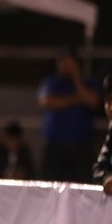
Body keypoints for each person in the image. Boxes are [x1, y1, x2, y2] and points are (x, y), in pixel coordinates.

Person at [38, 46, 99, 182]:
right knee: (49, 185)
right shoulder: (51, 82)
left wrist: (76, 76)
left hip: (82, 147)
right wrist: (77, 99)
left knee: (84, 186)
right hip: (55, 146)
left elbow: (92, 101)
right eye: (62, 61)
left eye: (69, 61)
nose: (65, 65)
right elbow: (48, 102)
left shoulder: (88, 82)